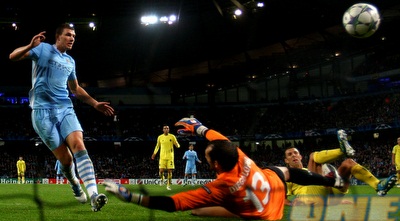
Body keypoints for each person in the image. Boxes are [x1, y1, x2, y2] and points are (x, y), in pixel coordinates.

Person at [104, 117, 346, 220]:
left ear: (216, 164)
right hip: (273, 187)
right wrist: (196, 126)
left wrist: (130, 196)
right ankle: (331, 181)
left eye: (207, 156)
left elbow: (170, 204)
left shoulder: (219, 185)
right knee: (285, 171)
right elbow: (214, 137)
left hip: (266, 215)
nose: (206, 153)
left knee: (206, 209)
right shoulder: (237, 154)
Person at [9, 23, 114, 212]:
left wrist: (94, 103)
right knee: (66, 161)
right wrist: (30, 46)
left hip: (65, 108)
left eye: (73, 35)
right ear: (58, 37)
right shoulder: (42, 49)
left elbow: (75, 89)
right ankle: (74, 184)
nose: (72, 38)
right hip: (42, 113)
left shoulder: (70, 61)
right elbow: (13, 56)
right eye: (68, 35)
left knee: (79, 146)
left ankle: (93, 195)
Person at [284, 129, 397, 206]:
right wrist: (291, 203)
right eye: (290, 154)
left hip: (327, 193)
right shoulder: (288, 175)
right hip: (310, 199)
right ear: (286, 160)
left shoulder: (308, 171)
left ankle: (378, 186)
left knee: (349, 163)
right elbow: (282, 199)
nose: (293, 155)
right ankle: (342, 150)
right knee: (313, 157)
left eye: (295, 153)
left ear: (300, 156)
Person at [151, 124, 181, 190]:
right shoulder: (160, 137)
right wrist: (154, 153)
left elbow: (177, 144)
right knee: (161, 171)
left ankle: (168, 185)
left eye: (167, 128)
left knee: (169, 172)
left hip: (170, 157)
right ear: (163, 130)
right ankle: (162, 179)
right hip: (162, 157)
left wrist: (177, 145)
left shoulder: (172, 136)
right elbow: (157, 146)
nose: (166, 129)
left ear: (169, 129)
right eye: (165, 128)